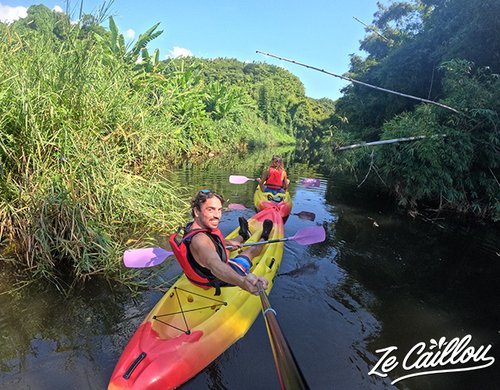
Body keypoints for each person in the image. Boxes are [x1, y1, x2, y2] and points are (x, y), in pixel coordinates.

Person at [169, 190, 272, 295]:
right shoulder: (200, 240)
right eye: (211, 210)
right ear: (196, 211)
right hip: (214, 279)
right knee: (250, 251)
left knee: (227, 244)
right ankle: (264, 237)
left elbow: (212, 246)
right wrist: (242, 281)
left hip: (200, 274)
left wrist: (226, 242)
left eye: (219, 210)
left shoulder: (191, 227)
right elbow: (215, 264)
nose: (217, 215)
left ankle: (243, 235)